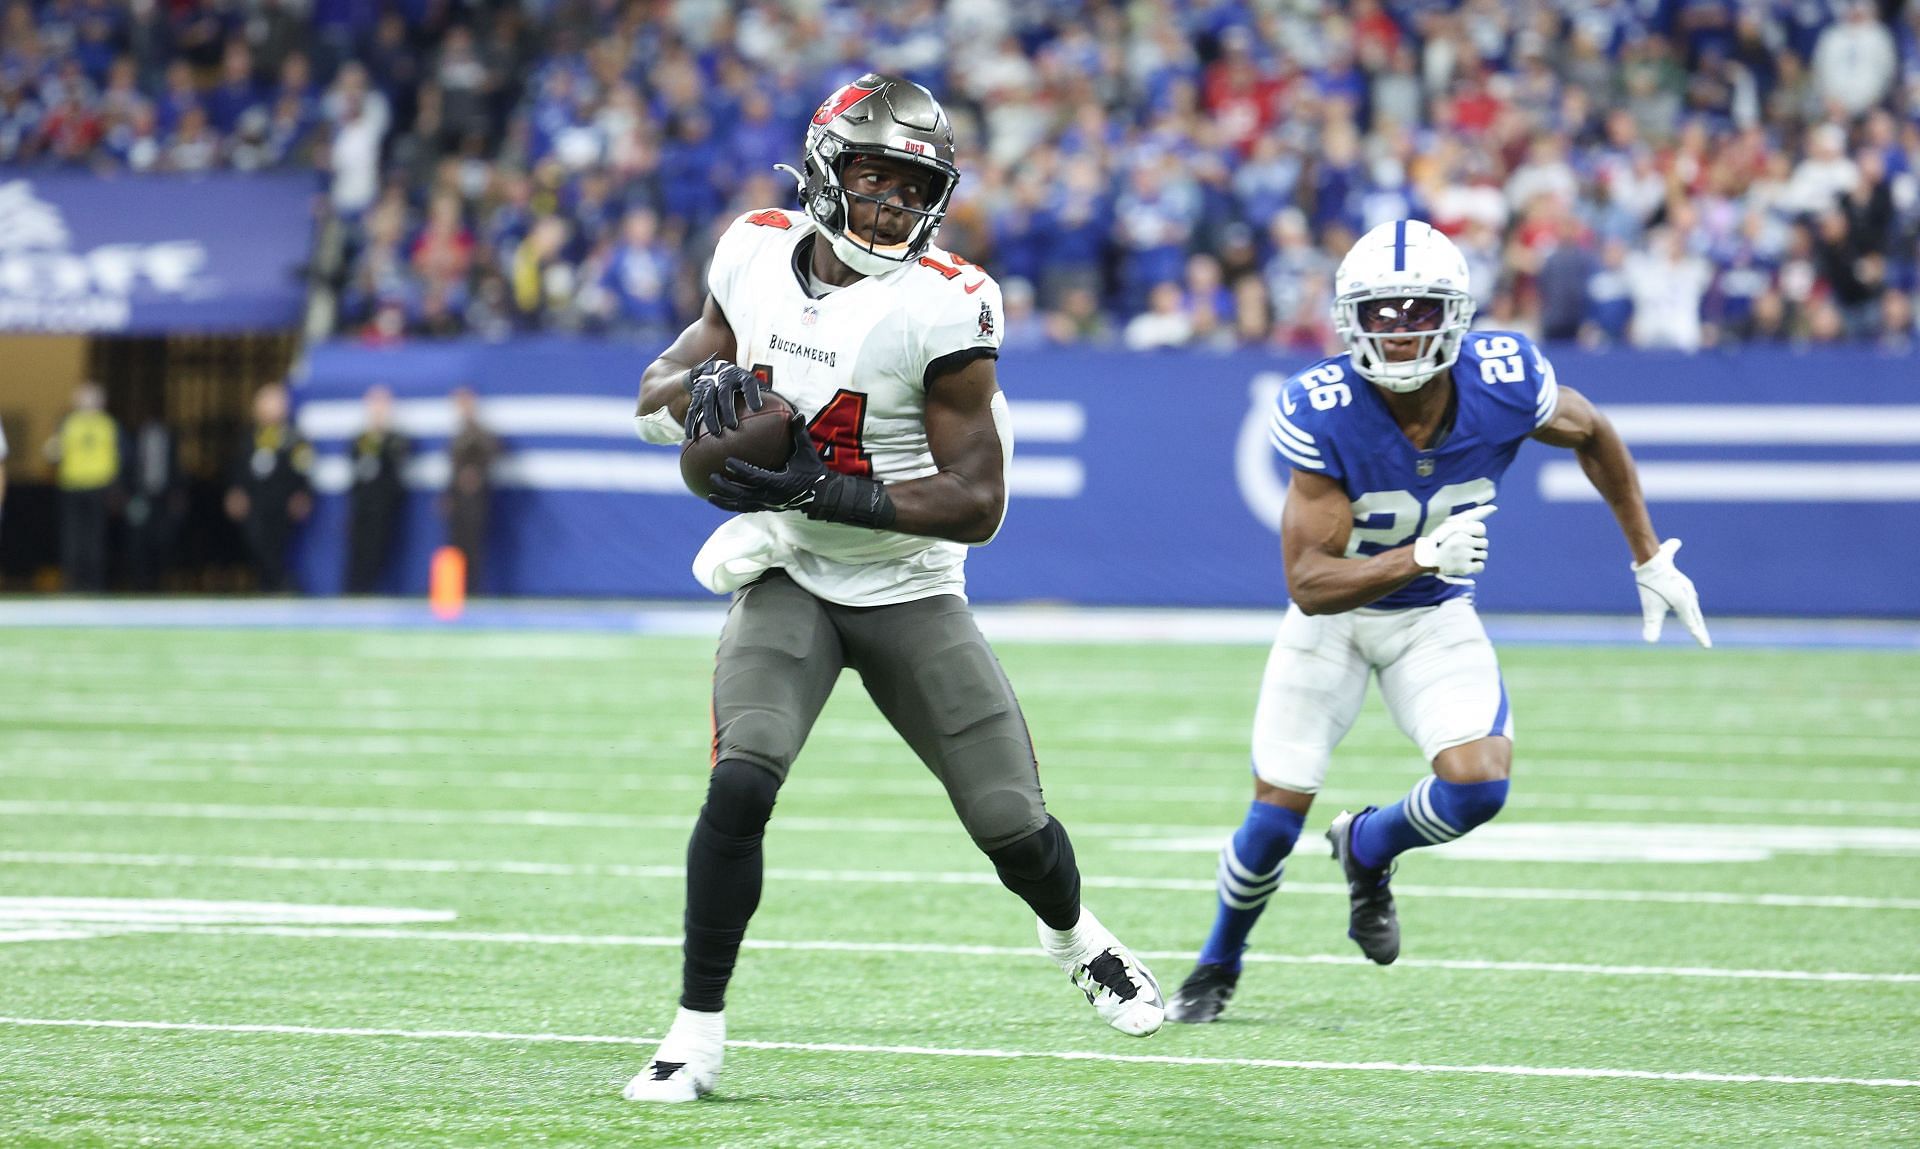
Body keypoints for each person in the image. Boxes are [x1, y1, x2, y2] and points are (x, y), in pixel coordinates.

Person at [625, 73, 1164, 1104]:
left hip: (908, 581)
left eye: (913, 188)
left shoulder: (947, 303)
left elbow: (977, 503)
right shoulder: (751, 249)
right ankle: (694, 1032)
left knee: (1015, 827)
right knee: (743, 781)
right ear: (827, 171)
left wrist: (824, 486)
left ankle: (1076, 939)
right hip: (788, 570)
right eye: (873, 178)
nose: (891, 206)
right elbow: (672, 374)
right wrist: (693, 399)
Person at [1162, 220, 1711, 1024]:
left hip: (1432, 618)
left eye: (1417, 308)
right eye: (1379, 312)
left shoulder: (1505, 377)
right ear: (1351, 318)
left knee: (1479, 786)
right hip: (1337, 625)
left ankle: (1368, 846)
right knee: (1274, 822)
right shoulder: (1325, 407)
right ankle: (1217, 963)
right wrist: (1420, 555)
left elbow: (1592, 431)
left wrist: (1647, 556)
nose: (1398, 328)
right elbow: (1310, 583)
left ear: (1455, 313)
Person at [225, 382, 313, 593]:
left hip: (282, 502)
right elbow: (239, 467)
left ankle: (280, 584)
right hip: (256, 502)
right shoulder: (250, 436)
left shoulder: (293, 437)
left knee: (277, 545)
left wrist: (303, 494)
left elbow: (304, 468)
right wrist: (236, 492)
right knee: (256, 541)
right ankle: (270, 584)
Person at [46, 382, 119, 593]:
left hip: (96, 486)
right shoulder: (69, 423)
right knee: (73, 537)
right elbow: (53, 451)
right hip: (73, 485)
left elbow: (118, 456)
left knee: (92, 538)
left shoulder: (106, 424)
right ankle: (73, 584)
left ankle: (92, 584)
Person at [343, 385, 410, 594]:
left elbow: (396, 464)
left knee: (380, 548)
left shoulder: (395, 439)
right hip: (362, 502)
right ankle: (356, 589)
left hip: (384, 504)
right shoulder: (360, 438)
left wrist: (381, 438)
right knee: (358, 547)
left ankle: (376, 589)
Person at [440, 386, 499, 590]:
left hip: (475, 497)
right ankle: (456, 587)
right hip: (458, 496)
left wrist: (476, 473)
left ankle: (473, 588)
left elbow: (491, 456)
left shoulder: (481, 432)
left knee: (473, 543)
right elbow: (453, 468)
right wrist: (448, 494)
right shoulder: (457, 433)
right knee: (456, 543)